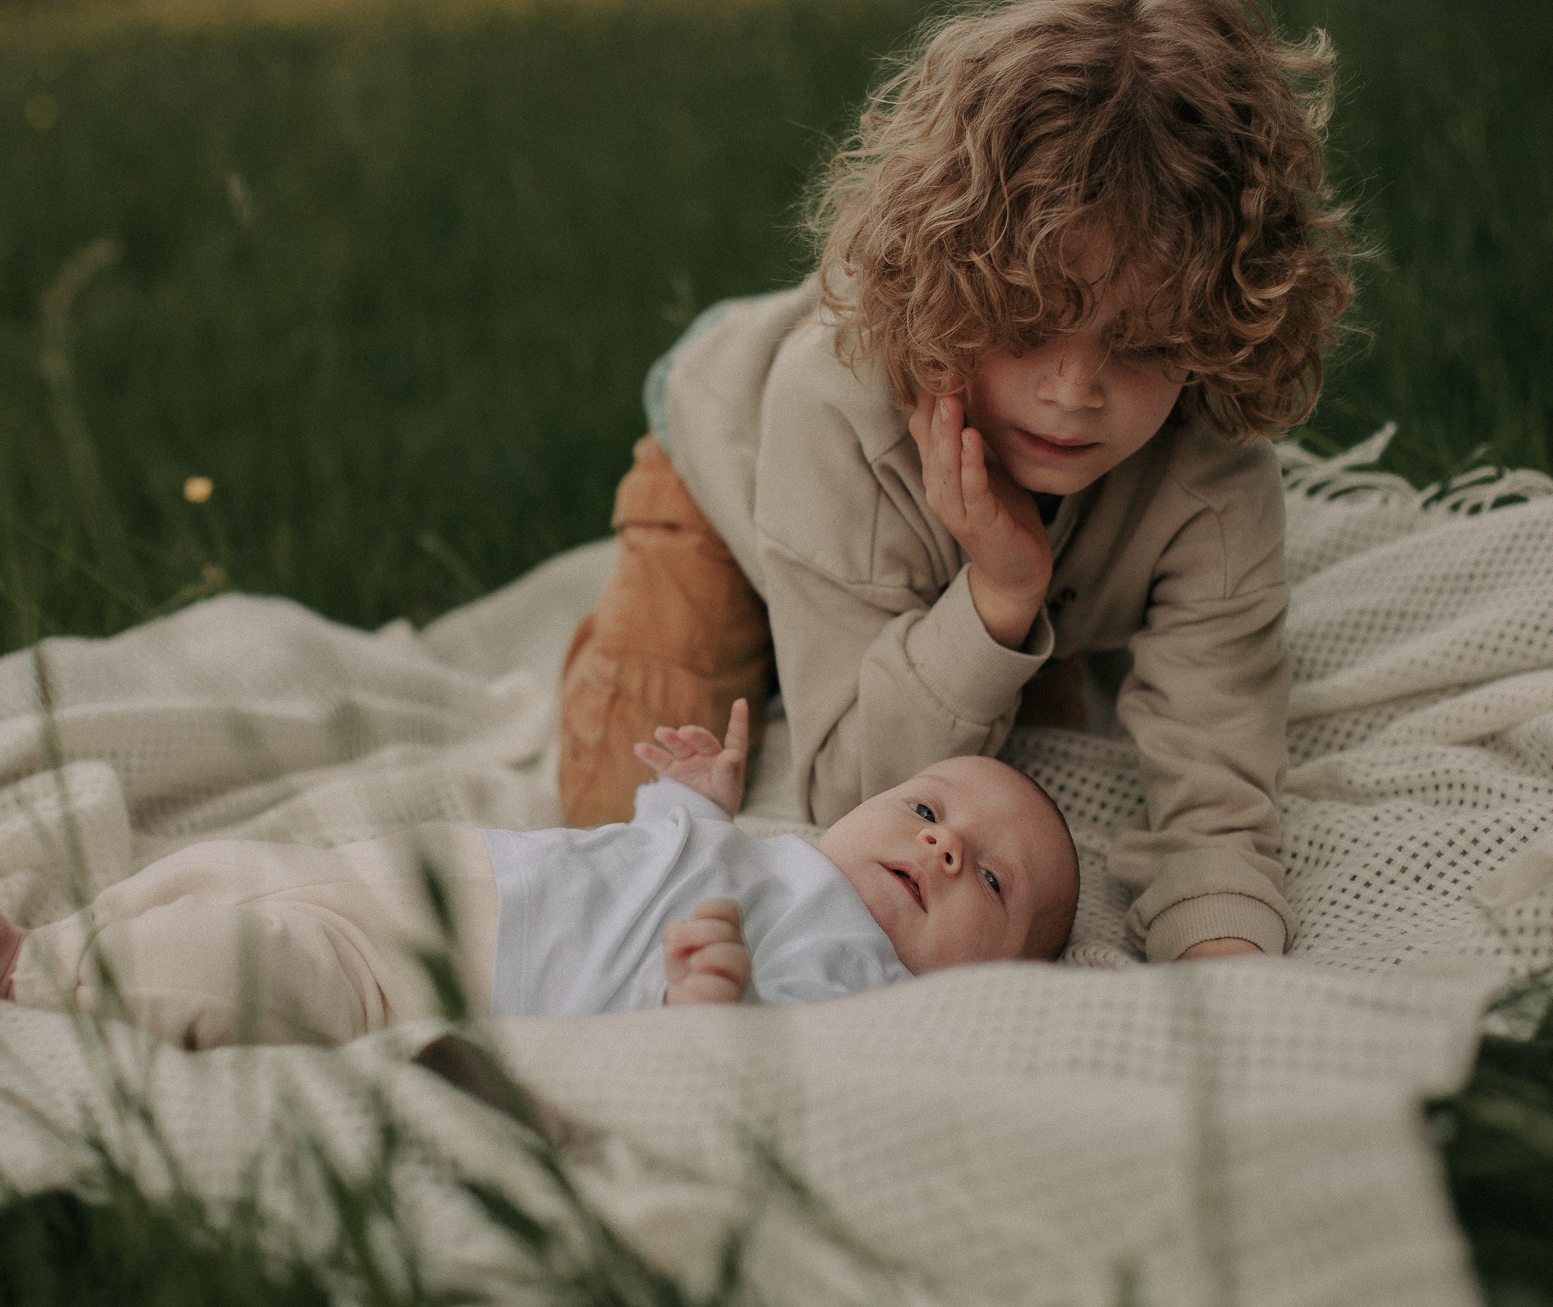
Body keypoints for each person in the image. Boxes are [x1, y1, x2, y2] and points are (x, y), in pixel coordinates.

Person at [559, 0, 1355, 963]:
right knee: (616, 805)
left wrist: (1228, 968)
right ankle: (678, 628)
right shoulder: (833, 404)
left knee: (1025, 791)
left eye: (1140, 343)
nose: (1073, 394)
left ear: (1221, 324)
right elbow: (853, 803)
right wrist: (1000, 593)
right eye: (1027, 324)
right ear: (954, 280)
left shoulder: (1215, 475)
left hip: (948, 551)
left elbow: (1218, 808)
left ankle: (937, 626)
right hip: (732, 468)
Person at [0, 701, 1079, 1049]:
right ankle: (106, 927)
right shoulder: (770, 845)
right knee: (222, 871)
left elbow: (745, 1072)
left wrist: (709, 1011)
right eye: (926, 809)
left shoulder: (857, 981)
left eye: (988, 880)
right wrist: (697, 797)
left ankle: (28, 968)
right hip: (427, 877)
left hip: (443, 985)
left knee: (244, 962)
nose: (939, 844)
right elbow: (671, 847)